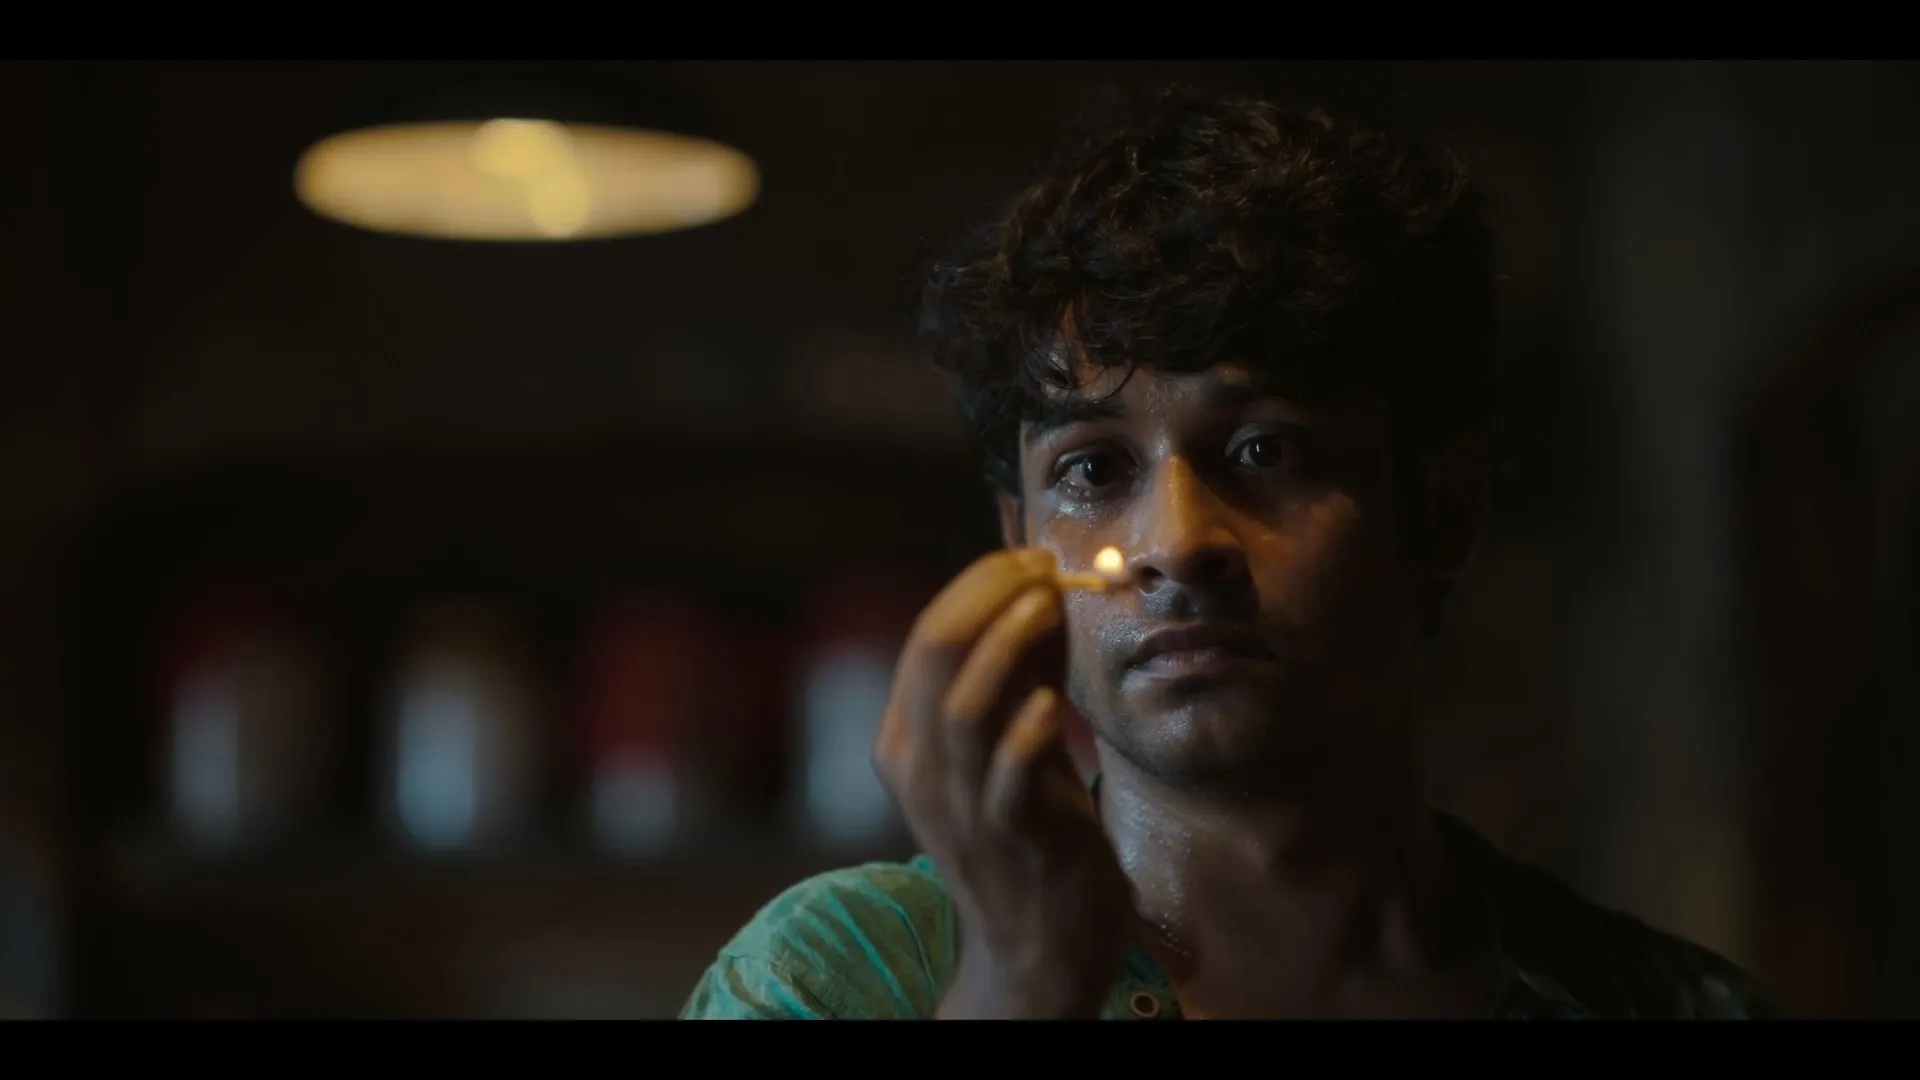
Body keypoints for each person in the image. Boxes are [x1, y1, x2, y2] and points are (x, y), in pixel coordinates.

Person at [681, 83, 1780, 1020]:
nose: (1176, 543)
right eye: (1092, 470)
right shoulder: (837, 981)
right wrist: (1021, 981)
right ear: (1017, 537)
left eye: (1266, 451)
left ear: (1441, 511)